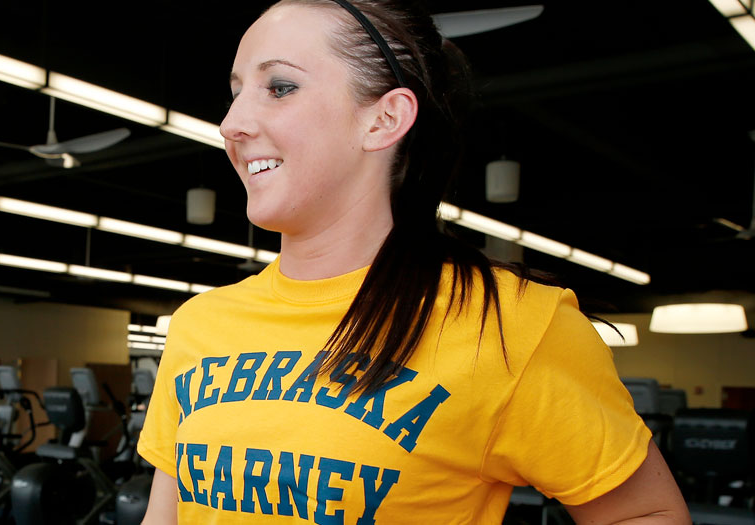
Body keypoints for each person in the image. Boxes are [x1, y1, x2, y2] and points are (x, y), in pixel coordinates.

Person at [135, 1, 689, 523]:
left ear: (383, 120)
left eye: (279, 87)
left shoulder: (510, 326)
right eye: (234, 94)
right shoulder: (199, 325)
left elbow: (647, 513)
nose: (232, 123)